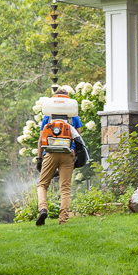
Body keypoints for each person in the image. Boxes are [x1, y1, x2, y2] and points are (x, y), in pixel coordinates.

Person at [36, 85, 84, 226]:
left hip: (50, 153)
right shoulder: (73, 116)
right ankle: (63, 220)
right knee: (65, 188)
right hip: (68, 154)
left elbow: (41, 140)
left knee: (42, 185)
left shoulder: (47, 117)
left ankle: (43, 208)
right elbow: (78, 135)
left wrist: (39, 159)